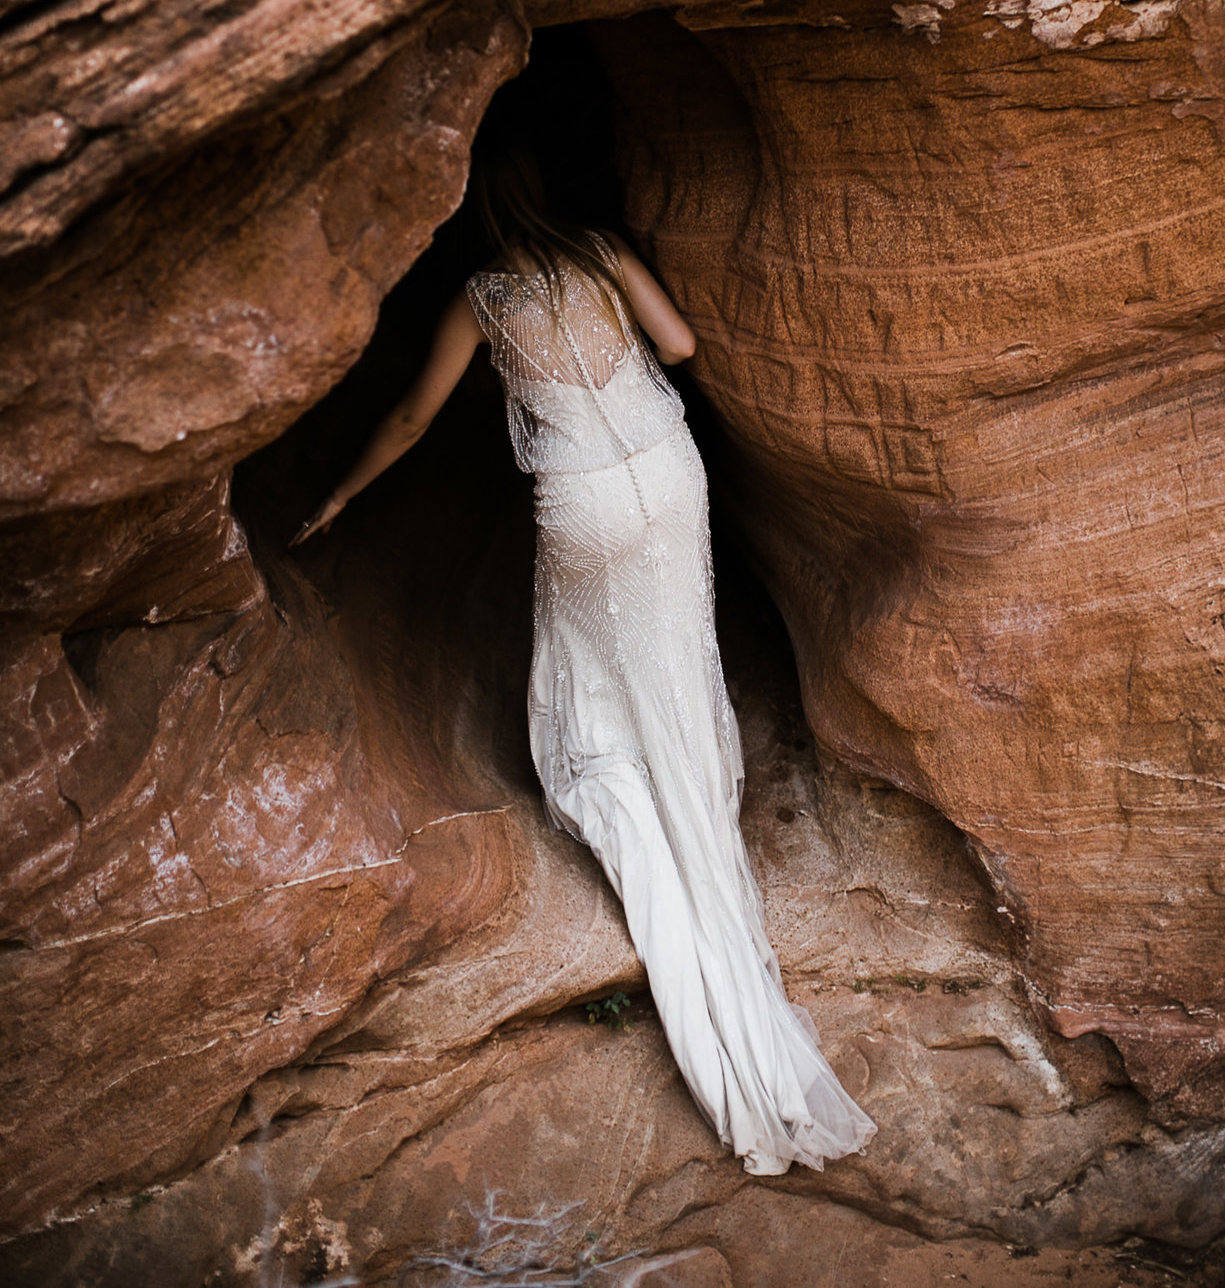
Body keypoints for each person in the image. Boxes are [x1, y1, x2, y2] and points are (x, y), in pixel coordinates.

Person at [294, 135, 875, 1173]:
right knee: (674, 657)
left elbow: (412, 414)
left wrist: (341, 492)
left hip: (586, 499)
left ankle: (633, 802)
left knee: (588, 660)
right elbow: (684, 347)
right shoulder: (604, 252)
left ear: (471, 209)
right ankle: (697, 807)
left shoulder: (478, 298)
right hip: (665, 468)